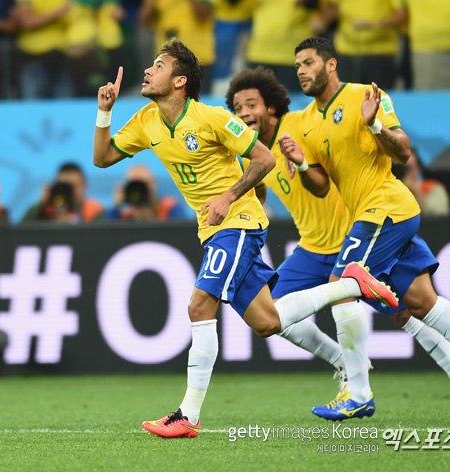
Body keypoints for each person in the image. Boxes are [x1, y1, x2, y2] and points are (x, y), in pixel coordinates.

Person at [93, 38, 398, 438]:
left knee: (200, 307)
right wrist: (104, 112)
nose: (149, 71)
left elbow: (265, 159)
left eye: (159, 65)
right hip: (212, 229)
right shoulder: (147, 120)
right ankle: (349, 285)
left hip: (238, 222)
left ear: (180, 80)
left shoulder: (213, 119)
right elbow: (102, 158)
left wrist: (228, 196)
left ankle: (188, 415)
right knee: (267, 322)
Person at [279, 36, 450, 421]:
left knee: (340, 285)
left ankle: (358, 392)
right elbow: (323, 185)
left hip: (386, 208)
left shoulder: (366, 95)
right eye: (297, 65)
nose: (301, 71)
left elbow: (403, 150)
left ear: (330, 65)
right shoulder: (309, 122)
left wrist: (374, 123)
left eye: (308, 62)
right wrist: (299, 164)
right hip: (374, 214)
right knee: (420, 303)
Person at [227, 66, 450, 421]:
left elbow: (329, 163)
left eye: (250, 105)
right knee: (270, 314)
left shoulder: (300, 126)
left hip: (355, 240)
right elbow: (256, 189)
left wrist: (302, 161)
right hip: (311, 248)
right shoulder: (254, 152)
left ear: (271, 108)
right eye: (236, 108)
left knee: (406, 312)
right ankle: (344, 363)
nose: (243, 113)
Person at [21, 162, 105, 223]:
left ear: (84, 186)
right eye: (65, 186)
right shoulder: (46, 210)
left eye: (73, 186)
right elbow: (21, 231)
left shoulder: (93, 211)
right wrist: (40, 204)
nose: (69, 191)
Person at [108, 164, 187, 221]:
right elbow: (107, 233)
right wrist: (116, 207)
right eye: (134, 184)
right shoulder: (124, 214)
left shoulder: (170, 207)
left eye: (142, 184)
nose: (138, 189)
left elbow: (180, 232)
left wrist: (151, 218)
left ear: (153, 183)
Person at [394, 147, 450, 216]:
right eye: (398, 169)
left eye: (408, 168)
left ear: (418, 168)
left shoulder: (434, 189)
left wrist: (416, 192)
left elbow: (439, 216)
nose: (404, 173)